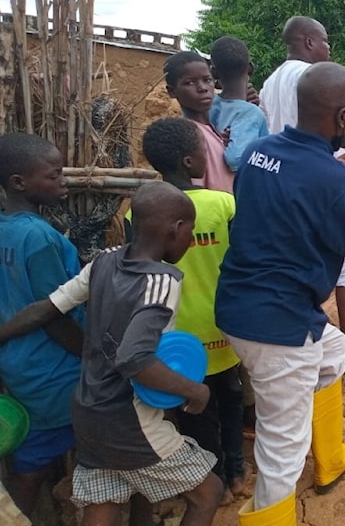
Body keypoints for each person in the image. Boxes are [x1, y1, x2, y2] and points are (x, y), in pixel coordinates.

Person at [215, 62, 345, 525]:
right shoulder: (336, 182)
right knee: (280, 452)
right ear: (342, 119)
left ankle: (329, 457)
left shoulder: (261, 152)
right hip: (278, 328)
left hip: (237, 305)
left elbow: (288, 195)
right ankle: (274, 513)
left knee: (334, 350)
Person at [0, 182, 223, 525]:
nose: (190, 241)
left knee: (103, 506)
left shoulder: (102, 263)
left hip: (88, 411)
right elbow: (134, 358)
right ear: (175, 229)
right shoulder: (162, 282)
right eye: (189, 232)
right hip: (127, 418)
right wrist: (195, 390)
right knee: (208, 493)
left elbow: (47, 308)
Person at [128, 117, 247, 504]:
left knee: (194, 409)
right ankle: (236, 471)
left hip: (174, 336)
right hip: (223, 323)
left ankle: (210, 475)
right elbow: (243, 256)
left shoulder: (140, 215)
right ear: (193, 162)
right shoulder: (222, 203)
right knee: (231, 397)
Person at [260, 15, 345, 373]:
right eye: (326, 41)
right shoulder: (316, 80)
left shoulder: (270, 82)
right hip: (328, 172)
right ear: (310, 41)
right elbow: (334, 137)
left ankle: (315, 339)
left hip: (287, 177)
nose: (329, 48)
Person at [0, 133, 84, 517]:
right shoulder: (38, 237)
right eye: (54, 175)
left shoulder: (7, 231)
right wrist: (92, 354)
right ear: (19, 182)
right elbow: (54, 314)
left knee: (33, 452)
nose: (63, 180)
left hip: (20, 364)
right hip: (56, 369)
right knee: (51, 452)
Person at [165, 51, 234, 193]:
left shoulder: (213, 130)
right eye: (190, 82)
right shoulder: (187, 137)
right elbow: (194, 193)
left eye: (207, 80)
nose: (202, 88)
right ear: (172, 91)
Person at [209, 36, 270, 171]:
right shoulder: (251, 113)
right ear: (250, 68)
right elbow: (236, 159)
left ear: (213, 72)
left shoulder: (207, 104)